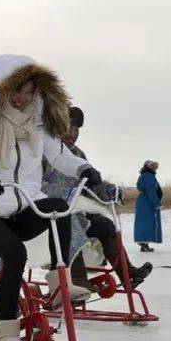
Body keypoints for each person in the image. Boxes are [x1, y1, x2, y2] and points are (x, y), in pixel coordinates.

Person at [0, 54, 104, 341]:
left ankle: (58, 285)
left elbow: (60, 154)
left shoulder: (37, 120)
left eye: (30, 91)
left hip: (25, 204)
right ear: (2, 87)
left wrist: (84, 169)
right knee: (14, 253)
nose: (24, 97)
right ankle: (8, 333)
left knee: (58, 207)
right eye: (18, 90)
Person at [41, 106, 152, 292]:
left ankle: (127, 274)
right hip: (49, 213)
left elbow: (92, 181)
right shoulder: (45, 152)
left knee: (106, 225)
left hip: (76, 210)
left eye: (77, 129)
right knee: (72, 223)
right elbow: (35, 183)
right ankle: (76, 279)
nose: (73, 134)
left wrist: (109, 189)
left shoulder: (77, 154)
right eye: (69, 127)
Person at [134, 160, 162, 252]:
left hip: (142, 201)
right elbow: (151, 192)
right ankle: (144, 244)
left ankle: (144, 244)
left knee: (142, 223)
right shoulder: (149, 176)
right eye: (153, 167)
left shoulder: (143, 175)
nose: (155, 168)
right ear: (149, 167)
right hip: (147, 202)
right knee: (147, 223)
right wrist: (157, 204)